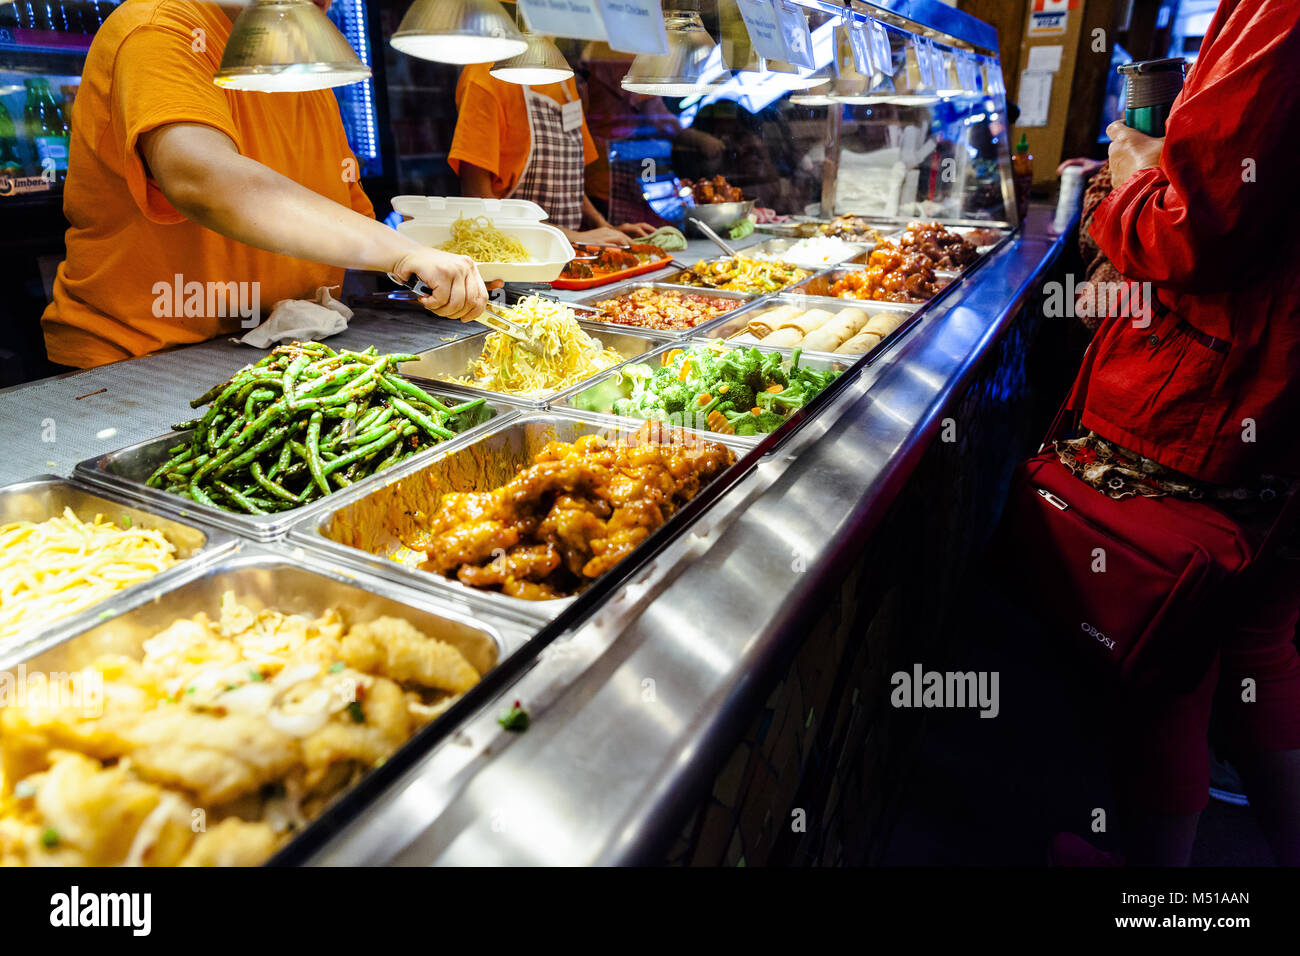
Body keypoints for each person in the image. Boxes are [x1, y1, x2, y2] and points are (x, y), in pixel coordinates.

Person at [1049, 0, 1300, 866]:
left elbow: (1195, 229)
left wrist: (1133, 173)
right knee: (1259, 644)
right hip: (1278, 414)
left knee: (1163, 663)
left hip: (1224, 403)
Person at [41, 0, 491, 371]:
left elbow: (345, 218)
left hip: (280, 349)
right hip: (139, 361)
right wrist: (403, 253)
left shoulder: (298, 62)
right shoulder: (159, 28)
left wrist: (449, 267)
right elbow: (202, 179)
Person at [448, 61, 653, 246]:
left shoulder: (562, 75)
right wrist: (574, 236)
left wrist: (604, 227)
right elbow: (477, 197)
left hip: (568, 254)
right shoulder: (486, 72)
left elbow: (567, 180)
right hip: (509, 256)